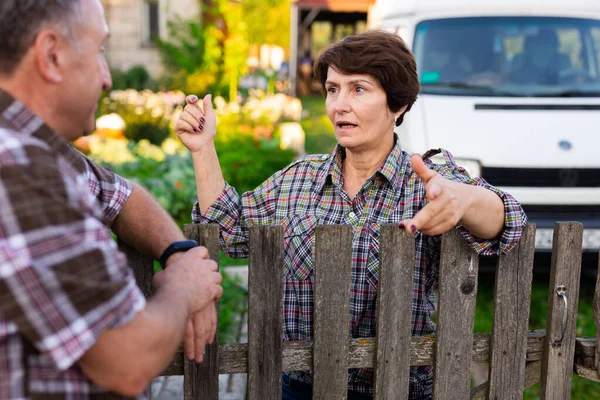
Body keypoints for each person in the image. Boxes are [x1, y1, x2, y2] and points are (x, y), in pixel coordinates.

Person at [176, 30, 527, 399]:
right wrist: (202, 149)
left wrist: (466, 201)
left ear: (398, 104)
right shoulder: (298, 178)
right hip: (299, 385)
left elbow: (509, 223)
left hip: (396, 387)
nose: (339, 105)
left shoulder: (427, 179)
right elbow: (229, 230)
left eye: (358, 89)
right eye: (332, 89)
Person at [0, 1, 222, 398]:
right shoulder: (17, 166)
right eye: (99, 50)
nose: (107, 78)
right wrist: (185, 289)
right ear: (52, 56)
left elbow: (120, 195)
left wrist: (178, 250)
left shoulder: (35, 147)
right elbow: (126, 361)